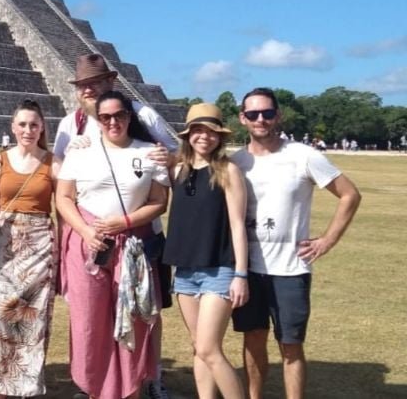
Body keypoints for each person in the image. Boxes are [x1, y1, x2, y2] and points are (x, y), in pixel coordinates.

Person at [52, 54, 175, 399]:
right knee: (90, 321)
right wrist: (87, 231)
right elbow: (63, 193)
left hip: (136, 242)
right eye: (83, 85)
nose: (111, 121)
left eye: (119, 115)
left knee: (138, 315)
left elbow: (165, 186)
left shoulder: (147, 132)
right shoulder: (73, 130)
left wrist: (123, 222)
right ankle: (95, 386)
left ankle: (140, 384)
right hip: (89, 242)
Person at [230, 88, 361, 399]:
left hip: (290, 268)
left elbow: (350, 194)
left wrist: (328, 240)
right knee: (253, 340)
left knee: (290, 346)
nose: (260, 119)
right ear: (242, 119)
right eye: (252, 114)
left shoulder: (303, 155)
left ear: (279, 115)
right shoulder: (236, 162)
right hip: (248, 270)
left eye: (267, 113)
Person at [162, 103, 249, 399]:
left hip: (219, 268)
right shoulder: (177, 170)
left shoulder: (228, 170)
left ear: (219, 136)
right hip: (185, 270)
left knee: (210, 349)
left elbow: (238, 225)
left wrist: (240, 274)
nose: (204, 137)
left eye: (211, 131)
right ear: (188, 135)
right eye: (198, 130)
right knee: (198, 346)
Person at [0, 100, 60, 397]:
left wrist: (59, 259)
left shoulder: (53, 162)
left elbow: (61, 212)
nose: (28, 130)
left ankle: (22, 388)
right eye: (22, 124)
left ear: (42, 128)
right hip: (5, 246)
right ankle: (0, 386)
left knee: (30, 321)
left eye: (34, 124)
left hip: (39, 246)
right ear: (12, 127)